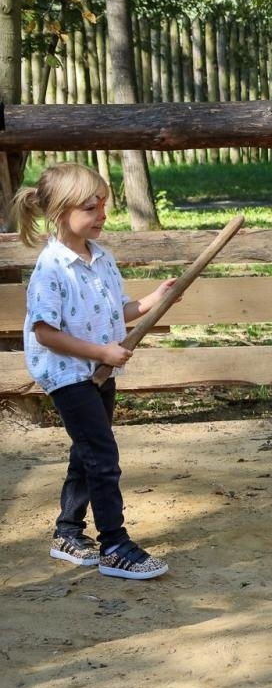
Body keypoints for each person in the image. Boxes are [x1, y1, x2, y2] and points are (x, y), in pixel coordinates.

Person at [13, 162, 177, 581]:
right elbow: (46, 333)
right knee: (103, 457)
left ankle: (68, 533)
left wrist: (154, 300)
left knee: (88, 449)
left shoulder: (101, 258)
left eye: (103, 205)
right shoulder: (51, 269)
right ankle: (115, 545)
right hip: (67, 373)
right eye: (91, 208)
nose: (102, 215)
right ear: (61, 212)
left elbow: (118, 310)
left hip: (98, 369)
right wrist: (102, 350)